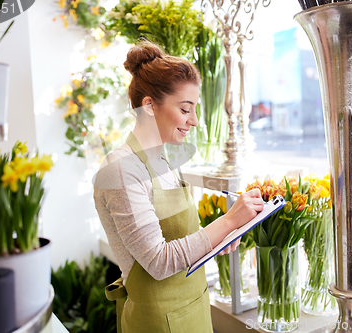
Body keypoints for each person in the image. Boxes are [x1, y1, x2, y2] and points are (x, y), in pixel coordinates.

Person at [93, 41, 263, 333]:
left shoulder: (165, 161)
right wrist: (229, 220)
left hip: (194, 309)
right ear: (148, 106)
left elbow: (180, 241)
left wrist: (215, 243)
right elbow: (158, 262)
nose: (194, 121)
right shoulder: (120, 169)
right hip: (157, 321)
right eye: (186, 109)